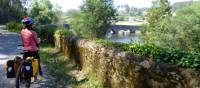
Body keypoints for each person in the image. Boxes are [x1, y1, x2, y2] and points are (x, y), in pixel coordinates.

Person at [20, 16, 42, 81]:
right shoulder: (33, 32)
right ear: (31, 24)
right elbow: (37, 42)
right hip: (33, 51)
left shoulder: (22, 31)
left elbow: (23, 41)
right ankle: (35, 78)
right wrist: (39, 42)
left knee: (24, 63)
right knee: (36, 63)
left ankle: (22, 76)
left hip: (26, 51)